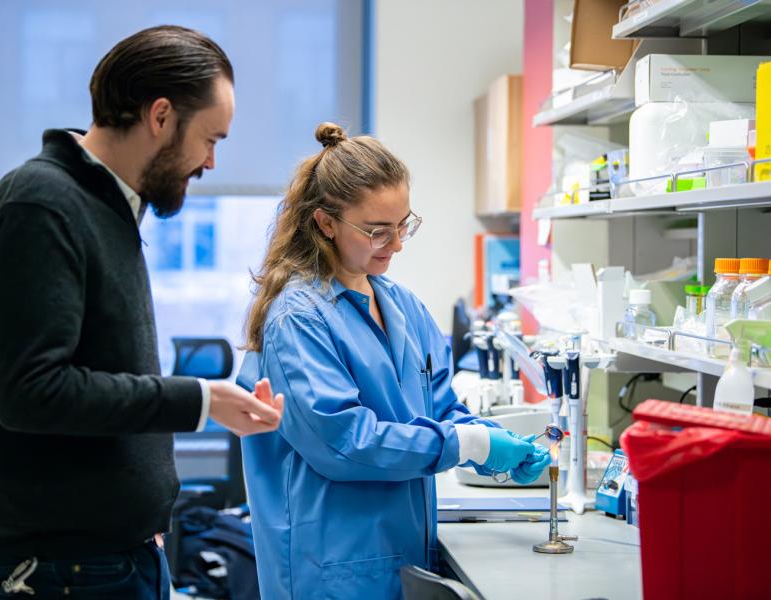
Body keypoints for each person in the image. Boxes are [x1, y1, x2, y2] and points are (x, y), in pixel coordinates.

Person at [0, 26, 283, 599]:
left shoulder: (106, 208)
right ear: (159, 116)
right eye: (209, 138)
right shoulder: (42, 206)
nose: (211, 161)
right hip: (67, 568)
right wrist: (200, 400)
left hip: (110, 556)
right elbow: (32, 391)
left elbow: (102, 384)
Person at [236, 122, 551, 599]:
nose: (397, 245)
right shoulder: (298, 319)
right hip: (331, 566)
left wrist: (490, 442)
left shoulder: (403, 306)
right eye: (378, 231)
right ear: (325, 223)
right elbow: (344, 442)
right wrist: (467, 444)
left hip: (400, 553)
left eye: (404, 225)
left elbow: (440, 407)